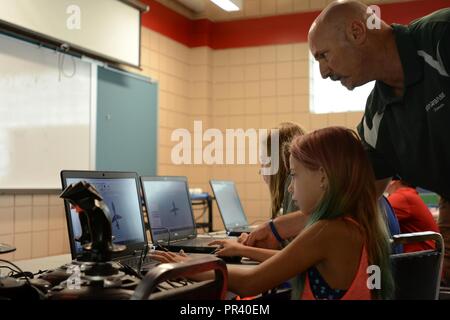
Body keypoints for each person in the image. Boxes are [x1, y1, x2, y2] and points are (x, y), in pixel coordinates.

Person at [242, 0, 450, 285]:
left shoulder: (440, 37)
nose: (324, 72)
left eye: (324, 56)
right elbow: (350, 199)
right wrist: (275, 228)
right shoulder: (377, 117)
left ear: (356, 31)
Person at [151, 127, 394, 300]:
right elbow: (288, 262)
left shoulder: (328, 231)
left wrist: (187, 267)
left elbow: (250, 282)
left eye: (295, 174)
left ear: (322, 176)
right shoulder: (356, 223)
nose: (290, 186)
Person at [212, 122, 304, 262]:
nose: (260, 170)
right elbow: (292, 252)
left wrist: (244, 250)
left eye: (265, 162)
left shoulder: (293, 189)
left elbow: (293, 261)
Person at [386, 178, 440, 252]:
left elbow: (371, 217)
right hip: (424, 255)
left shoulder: (402, 196)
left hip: (419, 257)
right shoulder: (407, 194)